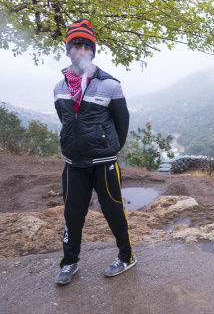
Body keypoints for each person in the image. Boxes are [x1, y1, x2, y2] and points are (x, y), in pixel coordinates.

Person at [53, 19, 135, 285]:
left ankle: (126, 256)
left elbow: (122, 122)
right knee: (72, 214)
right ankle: (69, 263)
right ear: (68, 51)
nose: (81, 50)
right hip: (74, 163)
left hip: (104, 162)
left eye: (86, 45)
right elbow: (65, 119)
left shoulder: (110, 84)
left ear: (92, 51)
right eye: (75, 45)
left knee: (114, 211)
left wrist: (113, 148)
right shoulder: (60, 87)